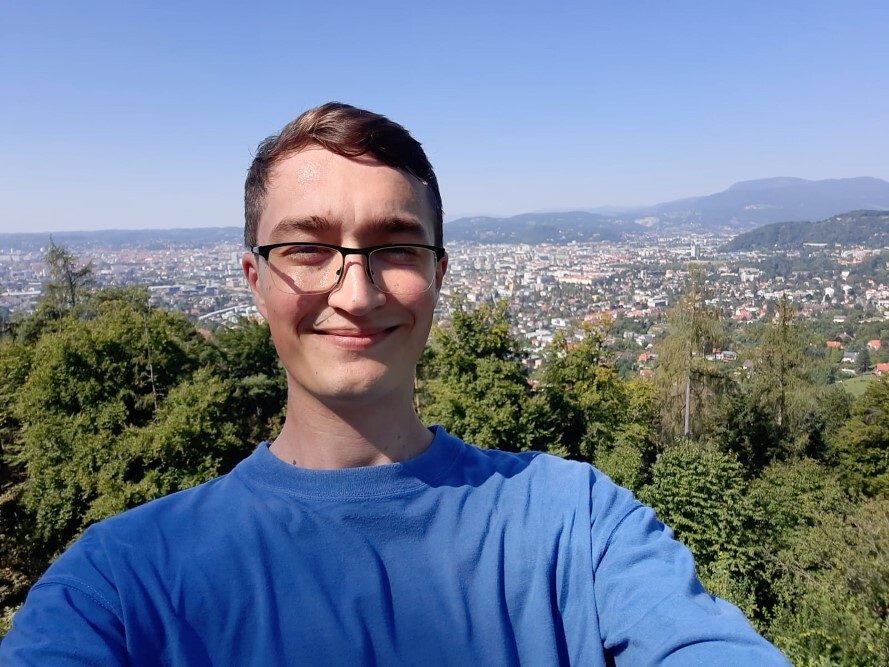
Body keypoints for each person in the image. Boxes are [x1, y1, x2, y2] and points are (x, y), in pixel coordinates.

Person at [0, 102, 790, 665]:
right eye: (307, 249)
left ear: (437, 275)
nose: (355, 291)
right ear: (254, 280)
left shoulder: (577, 526)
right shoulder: (119, 585)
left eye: (396, 247)